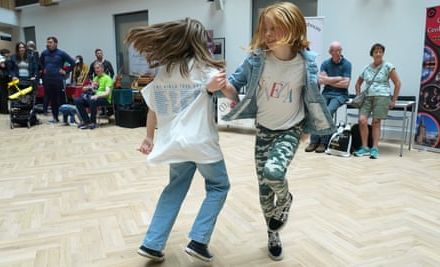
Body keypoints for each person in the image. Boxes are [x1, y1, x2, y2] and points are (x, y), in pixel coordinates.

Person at [208, 2, 335, 261]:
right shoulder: (256, 60)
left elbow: (311, 97)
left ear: (293, 28)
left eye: (275, 28)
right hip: (264, 131)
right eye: (266, 28)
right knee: (264, 192)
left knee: (274, 172)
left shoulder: (307, 62)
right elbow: (233, 89)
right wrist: (221, 87)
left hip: (290, 129)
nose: (268, 33)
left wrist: (307, 129)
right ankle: (272, 233)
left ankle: (286, 199)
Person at [125, 17, 236, 263]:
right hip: (201, 143)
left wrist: (148, 137)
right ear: (196, 42)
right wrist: (223, 86)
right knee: (219, 186)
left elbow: (152, 108)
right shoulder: (204, 68)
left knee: (174, 189)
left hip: (174, 144)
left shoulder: (164, 71)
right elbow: (231, 94)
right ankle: (199, 240)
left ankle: (152, 244)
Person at [353, 43, 401, 159]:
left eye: (380, 51)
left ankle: (374, 148)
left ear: (383, 53)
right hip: (368, 97)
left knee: (376, 122)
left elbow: (397, 83)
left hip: (383, 97)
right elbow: (358, 83)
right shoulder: (366, 68)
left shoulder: (388, 66)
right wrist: (359, 96)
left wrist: (393, 100)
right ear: (372, 54)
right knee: (362, 120)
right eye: (376, 51)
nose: (378, 53)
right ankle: (364, 147)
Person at [305, 41, 352, 153]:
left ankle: (323, 142)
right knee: (316, 111)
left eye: (339, 50)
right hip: (326, 93)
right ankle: (314, 141)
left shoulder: (347, 64)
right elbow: (320, 81)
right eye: (334, 50)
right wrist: (337, 78)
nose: (337, 53)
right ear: (330, 52)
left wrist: (328, 80)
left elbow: (346, 84)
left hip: (340, 95)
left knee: (327, 111)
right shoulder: (325, 63)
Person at [39, 36, 75, 123]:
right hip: (48, 80)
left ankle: (65, 119)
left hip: (59, 80)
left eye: (50, 42)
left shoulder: (61, 53)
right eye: (48, 42)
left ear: (55, 43)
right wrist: (44, 68)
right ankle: (55, 117)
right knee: (53, 99)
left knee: (62, 99)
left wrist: (66, 71)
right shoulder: (44, 53)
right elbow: (40, 62)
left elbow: (73, 62)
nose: (48, 44)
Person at [74, 62, 113, 129]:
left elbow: (107, 93)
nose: (96, 70)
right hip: (93, 97)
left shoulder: (107, 78)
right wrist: (87, 88)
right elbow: (93, 90)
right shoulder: (95, 78)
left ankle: (93, 122)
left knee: (92, 99)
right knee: (78, 100)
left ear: (102, 69)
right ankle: (86, 121)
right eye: (95, 68)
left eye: (98, 68)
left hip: (104, 99)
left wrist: (97, 96)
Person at [0, 49, 12, 114]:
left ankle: (1, 110)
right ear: (5, 53)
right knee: (4, 94)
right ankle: (5, 110)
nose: (9, 55)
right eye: (8, 53)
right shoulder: (1, 58)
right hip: (2, 78)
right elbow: (3, 66)